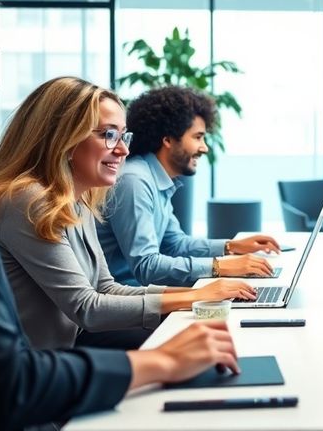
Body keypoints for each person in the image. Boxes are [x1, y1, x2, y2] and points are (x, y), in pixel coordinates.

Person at [0, 0, 241, 431]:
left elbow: (104, 286)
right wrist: (167, 350)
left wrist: (195, 300)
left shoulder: (71, 199)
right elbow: (29, 355)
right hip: (17, 408)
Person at [0, 77, 257, 350]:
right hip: (36, 368)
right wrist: (196, 295)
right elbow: (87, 307)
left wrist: (198, 295)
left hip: (71, 344)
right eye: (109, 134)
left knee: (207, 337)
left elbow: (106, 287)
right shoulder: (28, 200)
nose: (124, 149)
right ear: (63, 138)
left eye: (123, 135)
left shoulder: (80, 197)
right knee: (198, 346)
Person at [97, 85, 279, 287]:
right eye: (198, 137)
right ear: (167, 140)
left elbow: (175, 244)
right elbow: (147, 266)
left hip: (149, 297)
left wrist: (231, 246)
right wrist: (221, 266)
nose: (204, 147)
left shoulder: (156, 179)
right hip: (129, 304)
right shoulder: (135, 181)